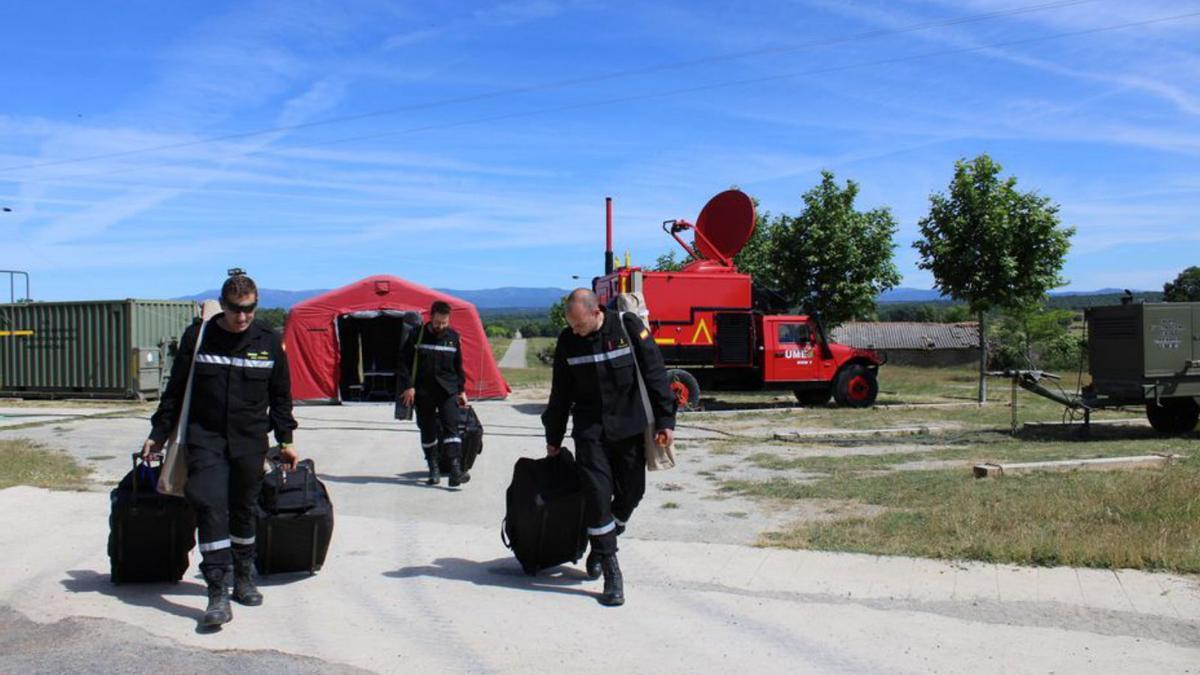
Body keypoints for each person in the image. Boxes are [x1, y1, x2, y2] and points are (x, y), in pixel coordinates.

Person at [143, 271, 298, 629]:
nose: (242, 317)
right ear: (222, 304)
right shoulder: (199, 337)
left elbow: (281, 397)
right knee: (211, 505)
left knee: (243, 510)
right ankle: (216, 589)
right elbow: (176, 389)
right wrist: (159, 432)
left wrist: (286, 440)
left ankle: (243, 577)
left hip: (249, 441)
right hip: (206, 439)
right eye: (234, 309)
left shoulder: (269, 341)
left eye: (249, 309)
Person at [541, 288, 675, 606]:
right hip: (591, 431)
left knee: (632, 493)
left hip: (629, 427)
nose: (575, 330)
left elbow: (655, 373)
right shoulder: (567, 341)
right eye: (571, 325)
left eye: (579, 324)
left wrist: (666, 420)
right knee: (598, 496)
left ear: (595, 311)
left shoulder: (627, 327)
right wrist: (554, 437)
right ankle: (611, 570)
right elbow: (560, 393)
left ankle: (600, 541)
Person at [397, 300, 470, 487]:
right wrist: (408, 386)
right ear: (431, 317)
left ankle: (455, 470)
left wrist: (461, 390)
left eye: (445, 322)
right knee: (427, 429)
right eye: (438, 322)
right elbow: (404, 363)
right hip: (423, 392)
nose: (441, 326)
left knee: (451, 428)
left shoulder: (453, 337)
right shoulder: (417, 335)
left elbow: (458, 366)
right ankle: (433, 468)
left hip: (447, 391)